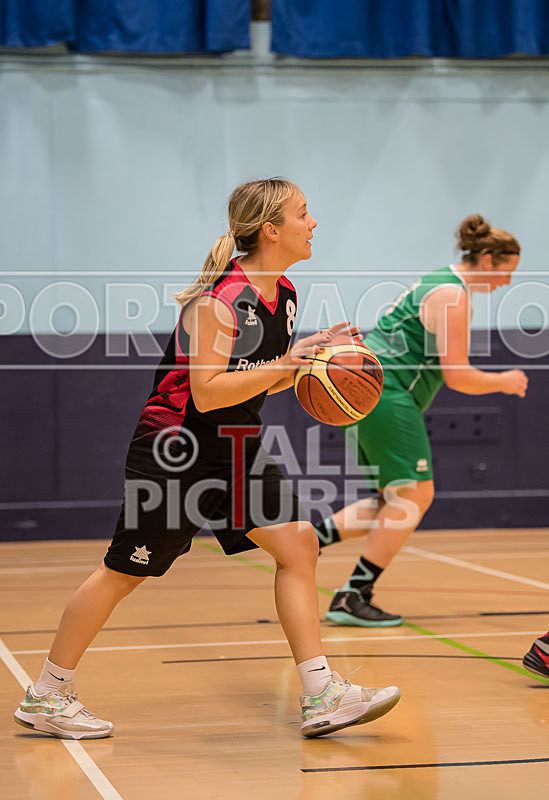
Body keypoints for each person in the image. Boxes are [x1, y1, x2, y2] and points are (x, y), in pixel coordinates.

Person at [14, 178, 400, 740]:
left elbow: (255, 384)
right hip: (177, 449)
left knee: (299, 545)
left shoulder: (285, 294)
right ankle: (47, 694)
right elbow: (208, 391)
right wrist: (287, 364)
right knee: (124, 572)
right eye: (303, 213)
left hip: (235, 444)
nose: (313, 222)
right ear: (271, 229)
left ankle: (321, 694)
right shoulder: (220, 303)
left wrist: (312, 371)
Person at [315, 214, 528, 627]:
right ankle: (354, 594)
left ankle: (308, 541)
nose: (506, 282)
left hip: (370, 393)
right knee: (415, 496)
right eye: (506, 271)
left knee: (394, 501)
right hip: (387, 393)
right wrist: (503, 381)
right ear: (487, 260)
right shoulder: (453, 296)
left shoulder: (437, 281)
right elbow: (458, 376)